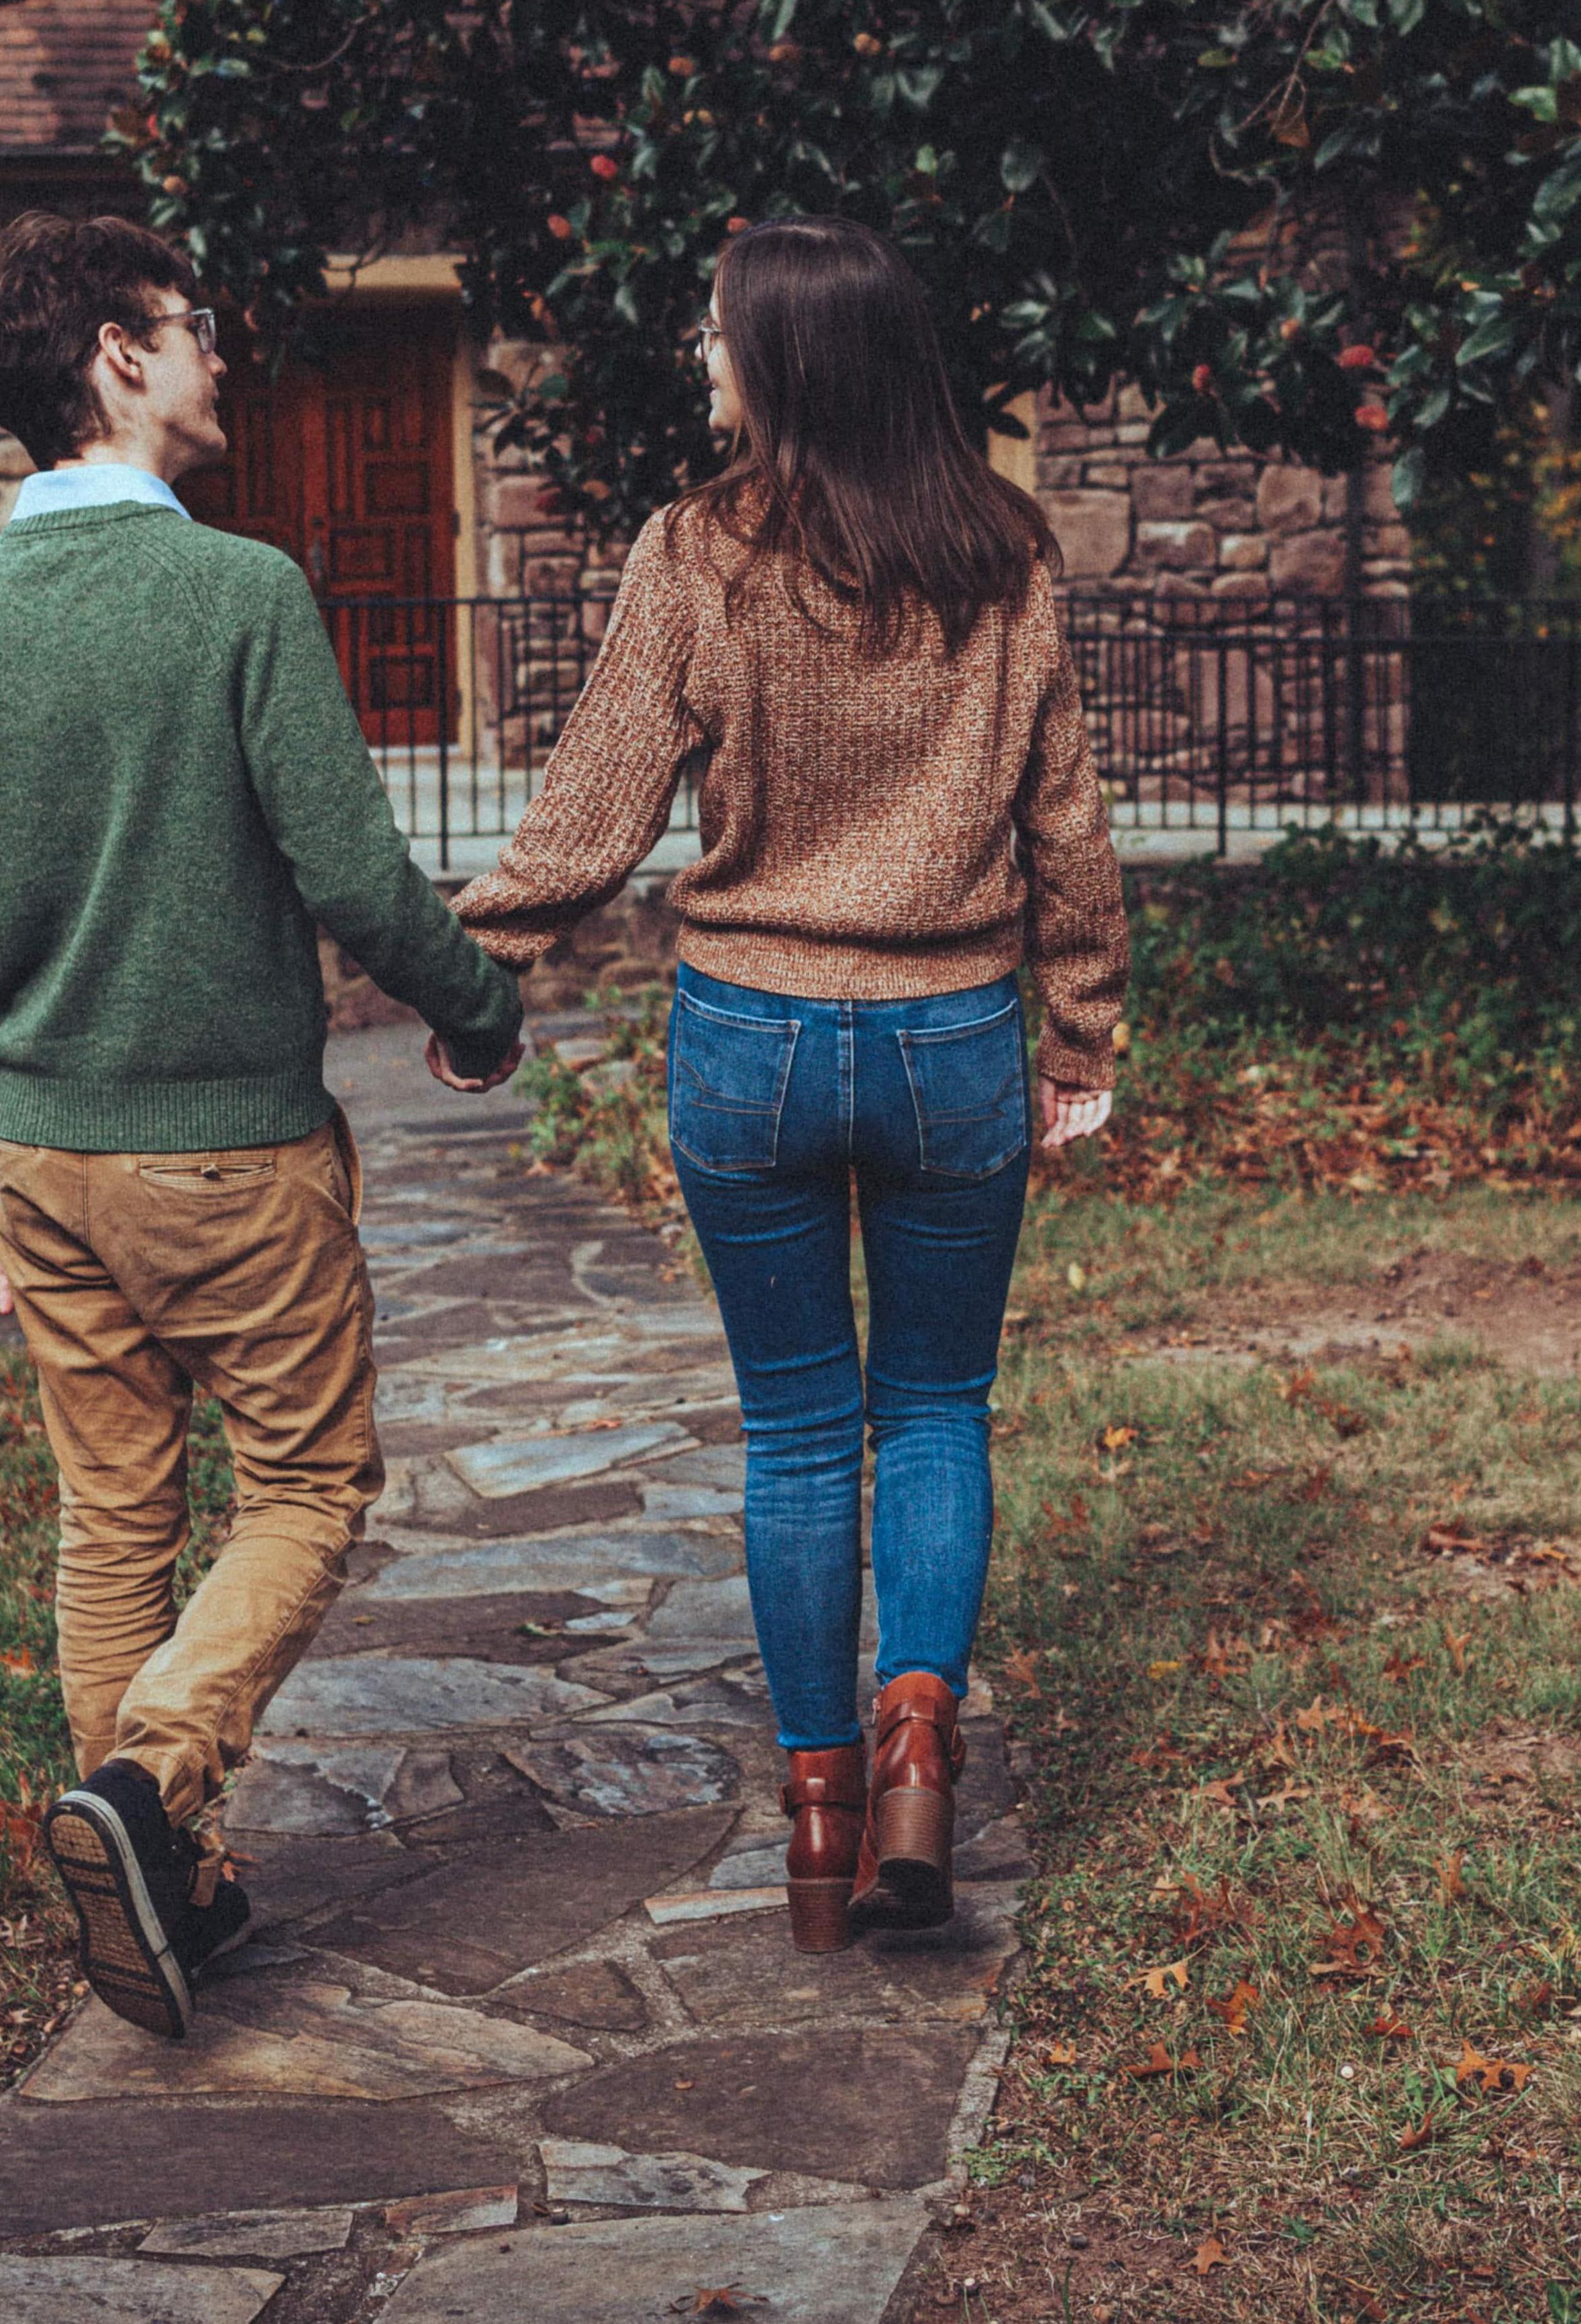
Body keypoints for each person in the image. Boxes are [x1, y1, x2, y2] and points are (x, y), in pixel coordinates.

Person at [450, 215, 1127, 1950]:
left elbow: (593, 799)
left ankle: (822, 1818)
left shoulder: (697, 553)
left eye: (717, 334)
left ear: (790, 361)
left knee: (799, 1432)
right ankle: (920, 1743)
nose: (700, 358)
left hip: (748, 1038)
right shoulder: (1003, 554)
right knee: (934, 1409)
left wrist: (479, 974)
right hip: (949, 1042)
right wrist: (1080, 1029)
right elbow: (1066, 817)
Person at [0, 211, 525, 2041]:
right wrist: (477, 1008)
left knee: (114, 1513)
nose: (221, 358)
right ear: (114, 355)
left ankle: (159, 1887)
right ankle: (158, 1784)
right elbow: (348, 864)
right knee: (309, 1485)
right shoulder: (237, 594)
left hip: (39, 1157)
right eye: (194, 330)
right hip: (227, 1152)